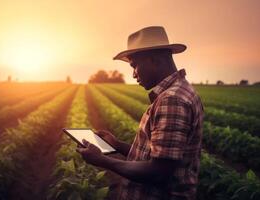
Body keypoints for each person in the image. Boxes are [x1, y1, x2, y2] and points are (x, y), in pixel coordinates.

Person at [77, 26, 204, 200]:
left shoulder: (172, 100)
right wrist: (116, 144)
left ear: (154, 60)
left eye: (134, 65)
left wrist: (103, 161)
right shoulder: (180, 91)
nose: (133, 74)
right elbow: (160, 157)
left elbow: (158, 172)